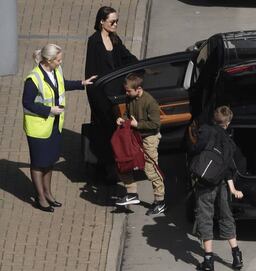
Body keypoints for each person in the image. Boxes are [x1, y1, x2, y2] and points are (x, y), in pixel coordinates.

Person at [22, 44, 96, 212]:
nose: (60, 62)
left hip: (54, 126)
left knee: (49, 162)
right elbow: (27, 103)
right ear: (48, 60)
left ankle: (48, 193)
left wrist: (81, 83)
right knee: (38, 163)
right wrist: (49, 110)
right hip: (38, 129)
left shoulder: (56, 70)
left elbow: (61, 85)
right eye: (58, 60)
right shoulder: (33, 79)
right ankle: (40, 198)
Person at [85, 6, 138, 184]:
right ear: (101, 21)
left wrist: (141, 67)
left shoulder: (115, 39)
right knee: (105, 132)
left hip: (117, 96)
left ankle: (117, 167)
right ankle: (106, 170)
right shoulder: (94, 42)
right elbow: (91, 74)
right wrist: (96, 100)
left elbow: (127, 57)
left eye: (117, 21)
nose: (115, 24)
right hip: (102, 97)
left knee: (117, 132)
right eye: (112, 21)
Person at [191, 106, 244, 271]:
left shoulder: (205, 131)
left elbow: (196, 150)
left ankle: (208, 260)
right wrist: (233, 188)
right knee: (226, 216)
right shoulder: (229, 142)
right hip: (221, 182)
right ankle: (236, 256)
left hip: (205, 182)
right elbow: (228, 167)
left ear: (214, 119)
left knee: (205, 216)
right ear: (227, 123)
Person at [114, 73, 166, 216]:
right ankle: (132, 193)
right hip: (135, 136)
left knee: (151, 169)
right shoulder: (129, 98)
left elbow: (155, 124)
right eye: (126, 90)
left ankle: (160, 201)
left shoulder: (150, 102)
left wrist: (138, 124)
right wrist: (122, 119)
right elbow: (128, 114)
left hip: (149, 138)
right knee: (124, 163)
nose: (126, 93)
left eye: (129, 91)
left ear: (138, 89)